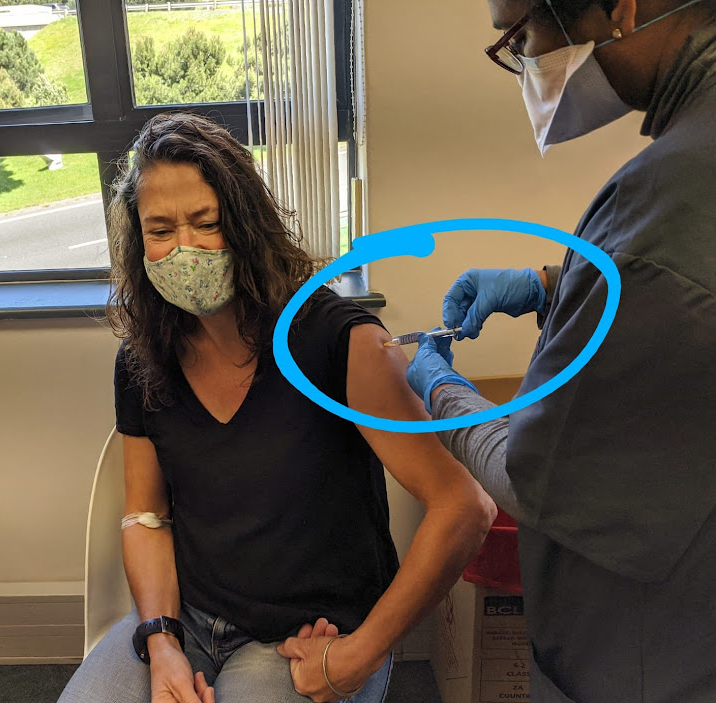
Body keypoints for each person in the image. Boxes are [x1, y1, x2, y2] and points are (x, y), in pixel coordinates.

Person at [57, 112, 495, 703]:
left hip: (304, 638)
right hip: (185, 621)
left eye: (205, 222)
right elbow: (146, 517)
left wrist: (359, 654)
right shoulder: (144, 362)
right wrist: (160, 640)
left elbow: (464, 507)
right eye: (159, 230)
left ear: (244, 223)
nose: (183, 249)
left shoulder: (340, 342)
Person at [406, 1, 716, 701]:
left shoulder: (669, 202)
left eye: (522, 38)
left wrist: (438, 390)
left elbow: (534, 475)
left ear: (622, 8)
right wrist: (554, 287)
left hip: (654, 657)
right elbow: (677, 322)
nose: (525, 62)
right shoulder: (689, 161)